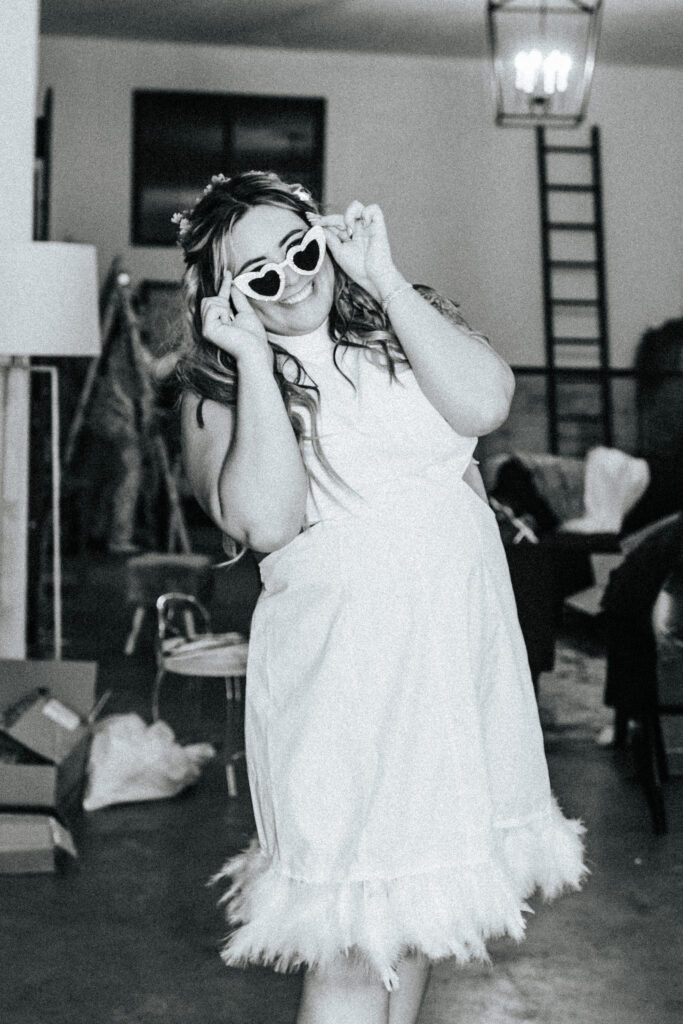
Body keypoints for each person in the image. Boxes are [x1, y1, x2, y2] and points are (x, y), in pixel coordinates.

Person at [173, 171, 587, 1024]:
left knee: (422, 914)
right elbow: (268, 519)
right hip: (350, 681)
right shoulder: (218, 391)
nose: (292, 279)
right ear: (227, 298)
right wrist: (253, 359)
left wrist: (386, 282)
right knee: (357, 939)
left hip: (456, 657)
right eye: (258, 276)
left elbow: (483, 403)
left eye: (299, 249)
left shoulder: (399, 321)